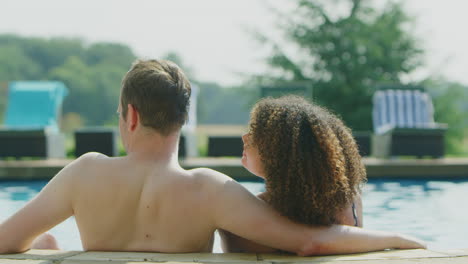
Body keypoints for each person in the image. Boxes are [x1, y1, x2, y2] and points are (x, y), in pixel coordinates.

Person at [0, 59, 425, 255]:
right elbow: (310, 241)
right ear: (183, 119)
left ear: (130, 115)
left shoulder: (84, 172)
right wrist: (400, 239)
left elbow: (6, 241)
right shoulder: (210, 189)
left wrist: (45, 246)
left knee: (49, 241)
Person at [219, 96, 371, 252]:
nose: (245, 138)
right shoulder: (349, 200)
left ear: (279, 152)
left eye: (255, 134)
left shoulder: (249, 212)